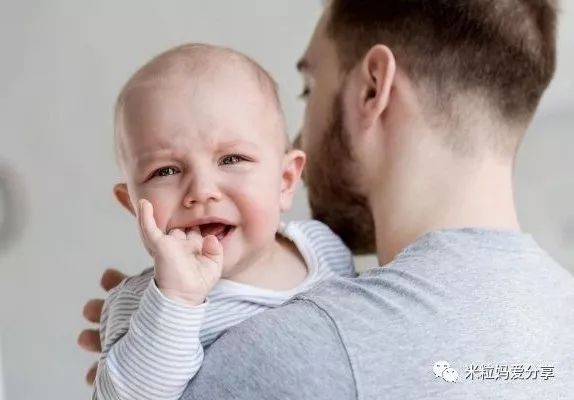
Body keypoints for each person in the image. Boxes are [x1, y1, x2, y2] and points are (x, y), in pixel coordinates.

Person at [80, 1, 574, 398]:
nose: (300, 136)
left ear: (371, 89)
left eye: (307, 87)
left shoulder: (293, 355)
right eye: (166, 170)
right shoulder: (561, 317)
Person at [91, 43, 354, 400]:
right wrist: (177, 300)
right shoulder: (141, 304)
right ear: (134, 206)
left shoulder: (324, 248)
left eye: (231, 159)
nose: (201, 191)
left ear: (285, 180)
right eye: (165, 170)